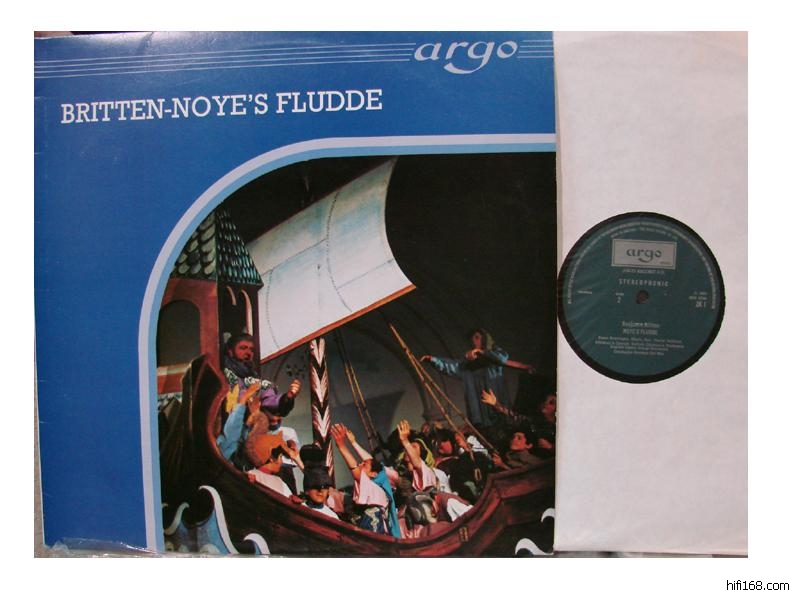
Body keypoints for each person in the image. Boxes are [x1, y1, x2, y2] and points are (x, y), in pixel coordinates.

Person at [421, 328, 533, 429]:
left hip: (499, 410)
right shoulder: (468, 366)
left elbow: (502, 358)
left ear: (485, 339)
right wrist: (434, 360)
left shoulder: (493, 358)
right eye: (472, 339)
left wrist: (482, 352)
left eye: (477, 337)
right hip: (481, 416)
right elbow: (452, 366)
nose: (474, 341)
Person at [330, 423, 401, 538]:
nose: (360, 464)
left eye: (364, 465)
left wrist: (341, 445)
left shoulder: (376, 489)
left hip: (374, 537)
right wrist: (353, 442)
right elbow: (370, 461)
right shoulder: (375, 486)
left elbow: (357, 471)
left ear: (373, 474)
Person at [223, 333, 301, 416]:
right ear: (230, 351)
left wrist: (288, 397)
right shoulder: (222, 374)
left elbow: (270, 401)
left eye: (251, 350)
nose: (248, 353)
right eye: (243, 348)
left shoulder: (255, 380)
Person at [482, 389, 556, 459]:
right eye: (545, 401)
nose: (545, 403)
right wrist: (495, 404)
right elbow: (513, 416)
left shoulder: (559, 427)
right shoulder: (535, 421)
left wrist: (551, 446)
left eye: (551, 402)